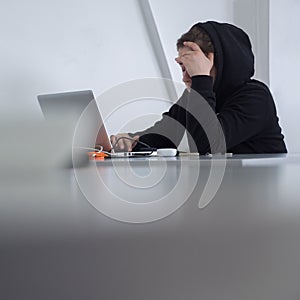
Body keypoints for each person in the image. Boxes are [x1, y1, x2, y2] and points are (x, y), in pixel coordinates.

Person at [110, 21, 287, 154]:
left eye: (192, 67)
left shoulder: (256, 97)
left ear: (214, 62)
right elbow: (164, 135)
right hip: (229, 190)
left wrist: (201, 77)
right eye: (183, 67)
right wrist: (129, 141)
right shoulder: (197, 95)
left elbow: (208, 144)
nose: (185, 77)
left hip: (262, 192)